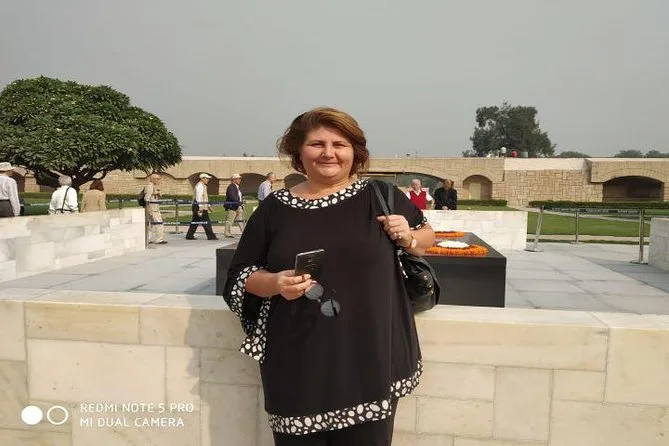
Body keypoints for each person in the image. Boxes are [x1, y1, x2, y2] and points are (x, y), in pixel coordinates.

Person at [223, 107, 435, 445]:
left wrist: (408, 236)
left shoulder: (380, 196)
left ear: (355, 152)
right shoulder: (275, 208)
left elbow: (427, 239)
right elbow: (239, 276)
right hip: (297, 363)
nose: (328, 153)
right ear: (298, 152)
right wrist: (275, 283)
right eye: (317, 144)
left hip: (369, 359)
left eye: (339, 144)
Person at [185, 173, 218, 240]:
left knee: (195, 221)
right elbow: (198, 197)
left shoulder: (202, 186)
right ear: (202, 178)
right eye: (207, 178)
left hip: (199, 206)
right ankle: (211, 236)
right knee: (206, 221)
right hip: (199, 207)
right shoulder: (200, 186)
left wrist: (208, 205)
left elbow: (204, 198)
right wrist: (200, 208)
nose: (208, 180)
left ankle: (189, 235)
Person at [144, 173, 167, 244]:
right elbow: (147, 198)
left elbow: (152, 197)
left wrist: (157, 194)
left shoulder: (152, 186)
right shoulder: (150, 186)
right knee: (159, 224)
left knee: (151, 225)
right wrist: (149, 210)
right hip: (152, 209)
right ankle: (159, 239)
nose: (159, 180)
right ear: (153, 179)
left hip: (154, 209)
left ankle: (148, 239)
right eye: (158, 179)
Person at [224, 173, 245, 238]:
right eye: (238, 179)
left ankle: (244, 233)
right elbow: (232, 197)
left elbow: (238, 197)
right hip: (233, 207)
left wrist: (240, 203)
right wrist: (239, 203)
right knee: (230, 220)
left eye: (239, 179)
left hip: (238, 206)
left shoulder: (236, 187)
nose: (239, 180)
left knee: (240, 220)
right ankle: (227, 233)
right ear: (233, 180)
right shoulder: (231, 187)